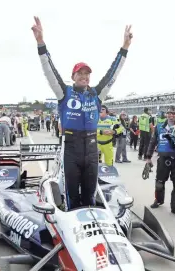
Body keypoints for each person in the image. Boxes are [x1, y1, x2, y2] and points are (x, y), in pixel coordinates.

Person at [32, 16, 133, 209]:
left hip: (91, 148)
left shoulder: (97, 94)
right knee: (72, 195)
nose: (84, 76)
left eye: (87, 73)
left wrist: (125, 47)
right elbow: (49, 70)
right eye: (80, 73)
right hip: (70, 148)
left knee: (89, 195)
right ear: (73, 77)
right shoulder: (63, 92)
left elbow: (113, 73)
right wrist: (40, 43)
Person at [146, 106, 175, 218]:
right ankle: (158, 200)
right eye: (169, 113)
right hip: (163, 159)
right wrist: (148, 157)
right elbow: (152, 142)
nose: (171, 115)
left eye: (174, 113)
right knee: (159, 183)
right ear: (166, 114)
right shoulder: (159, 127)